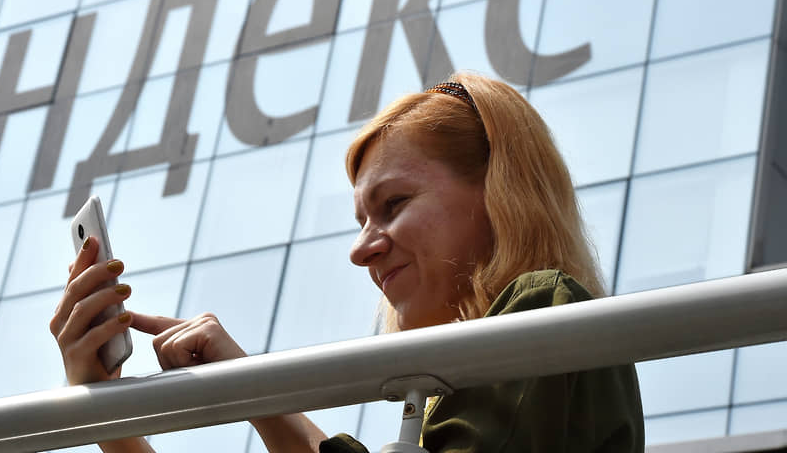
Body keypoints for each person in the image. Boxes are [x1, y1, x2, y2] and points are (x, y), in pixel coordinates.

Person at [50, 71, 645, 452]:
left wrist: (250, 390)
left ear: (499, 192)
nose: (361, 250)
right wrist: (110, 409)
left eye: (394, 204)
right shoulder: (470, 380)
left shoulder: (544, 308)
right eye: (361, 220)